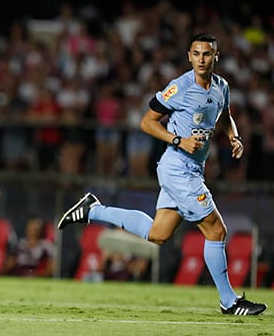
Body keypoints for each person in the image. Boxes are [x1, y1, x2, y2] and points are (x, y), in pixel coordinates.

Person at [57, 33, 266, 316]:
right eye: (196, 54)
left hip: (192, 169)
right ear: (189, 56)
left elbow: (224, 114)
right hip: (178, 168)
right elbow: (147, 122)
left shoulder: (221, 86)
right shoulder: (180, 87)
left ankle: (93, 210)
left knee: (158, 234)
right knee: (216, 229)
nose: (201, 59)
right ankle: (229, 301)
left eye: (207, 54)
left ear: (215, 57)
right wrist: (178, 140)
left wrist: (234, 137)